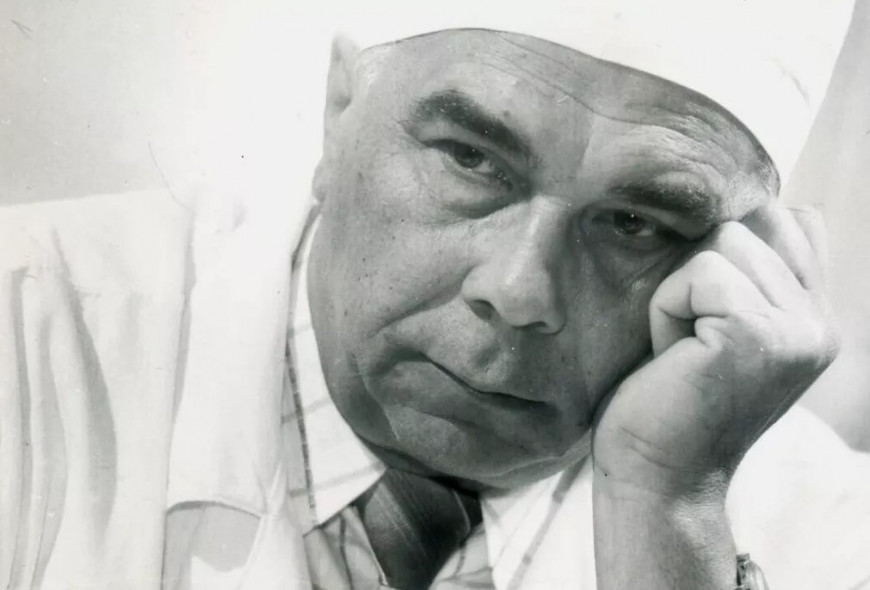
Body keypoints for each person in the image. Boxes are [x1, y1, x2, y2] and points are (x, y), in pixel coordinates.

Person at [2, 1, 870, 589]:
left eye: (635, 223)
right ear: (339, 112)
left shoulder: (823, 530)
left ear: (748, 253)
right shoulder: (26, 333)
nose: (520, 289)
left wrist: (668, 514)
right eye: (470, 158)